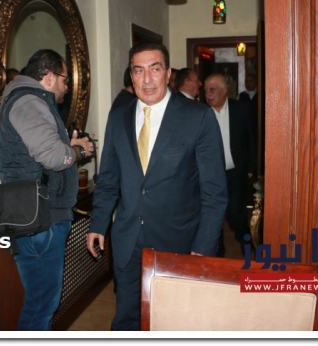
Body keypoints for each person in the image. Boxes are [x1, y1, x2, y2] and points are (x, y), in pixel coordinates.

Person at [86, 42, 228, 331]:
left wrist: (203, 246)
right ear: (132, 76)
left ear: (168, 73)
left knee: (174, 321)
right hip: (128, 240)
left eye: (155, 69)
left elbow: (214, 192)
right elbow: (109, 178)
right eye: (139, 71)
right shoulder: (119, 117)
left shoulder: (198, 117)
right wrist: (98, 223)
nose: (147, 79)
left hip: (178, 243)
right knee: (127, 320)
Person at [0, 49, 95, 331]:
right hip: (40, 219)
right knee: (42, 305)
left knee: (41, 302)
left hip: (35, 215)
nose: (66, 86)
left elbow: (38, 152)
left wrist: (68, 145)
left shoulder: (25, 99)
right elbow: (52, 157)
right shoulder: (30, 102)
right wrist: (78, 151)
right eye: (64, 79)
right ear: (49, 78)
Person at [204, 73, 257, 258]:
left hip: (235, 172)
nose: (208, 94)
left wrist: (251, 166)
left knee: (236, 213)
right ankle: (218, 253)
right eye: (206, 90)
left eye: (212, 89)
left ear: (224, 91)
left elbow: (251, 138)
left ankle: (247, 244)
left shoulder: (241, 109)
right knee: (213, 216)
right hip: (210, 176)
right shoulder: (201, 113)